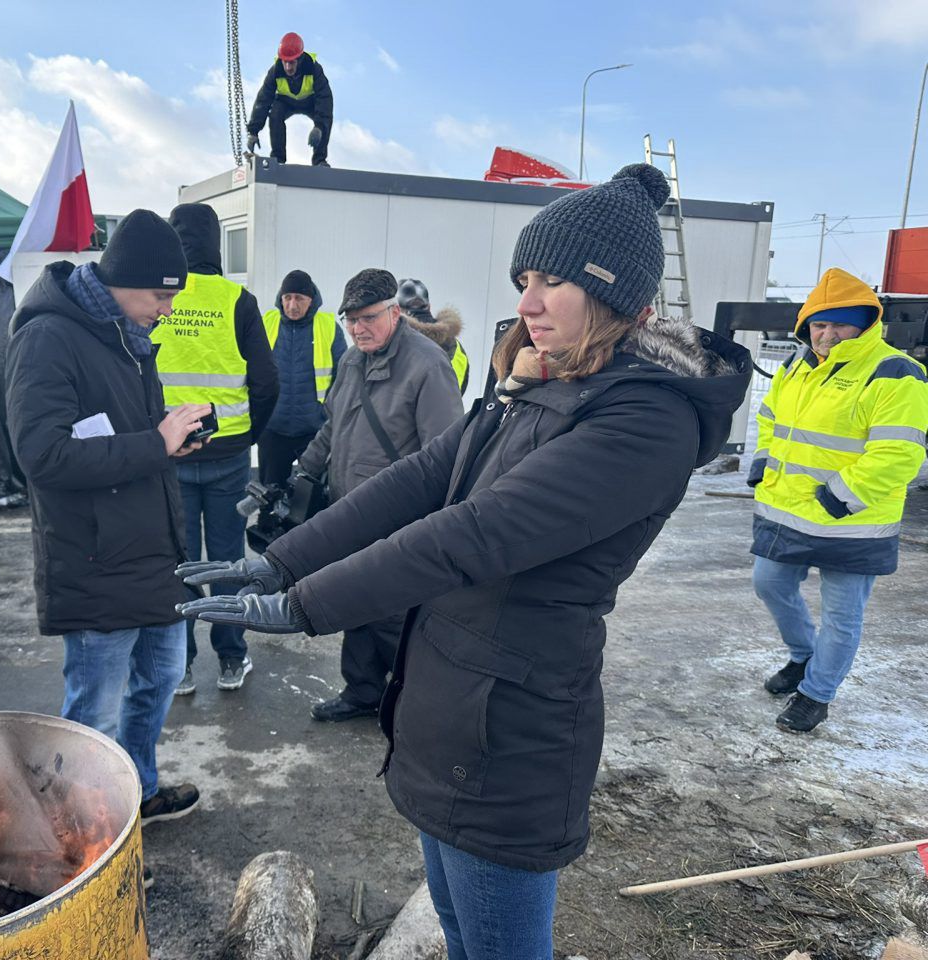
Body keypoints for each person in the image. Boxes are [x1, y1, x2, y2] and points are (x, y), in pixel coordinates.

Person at [178, 165, 751, 959]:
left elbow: (473, 532)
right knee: (455, 931)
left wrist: (308, 605)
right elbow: (423, 478)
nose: (526, 302)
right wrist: (282, 561)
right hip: (448, 700)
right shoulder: (542, 383)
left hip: (508, 734)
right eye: (524, 278)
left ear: (617, 297)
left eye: (552, 281)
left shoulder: (646, 420)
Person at [4, 209, 203, 859]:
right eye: (161, 295)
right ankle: (83, 846)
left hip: (151, 553)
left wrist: (172, 439)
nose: (168, 309)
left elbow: (127, 437)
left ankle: (136, 792)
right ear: (122, 280)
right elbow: (43, 457)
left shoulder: (126, 333)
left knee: (160, 678)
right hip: (95, 559)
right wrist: (155, 443)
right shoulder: (49, 338)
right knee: (95, 710)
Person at [271, 267, 465, 722]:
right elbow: (332, 427)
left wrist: (436, 522)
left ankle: (410, 705)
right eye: (350, 320)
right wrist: (304, 472)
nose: (358, 328)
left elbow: (448, 453)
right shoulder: (353, 360)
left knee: (395, 617)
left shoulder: (427, 366)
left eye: (368, 318)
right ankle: (361, 692)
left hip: (400, 517)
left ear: (395, 312)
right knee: (352, 600)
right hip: (349, 510)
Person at [749, 267, 928, 733]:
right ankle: (803, 656)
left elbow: (899, 453)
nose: (826, 335)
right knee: (769, 583)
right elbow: (770, 420)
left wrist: (839, 497)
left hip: (853, 521)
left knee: (842, 615)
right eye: (818, 324)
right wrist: (763, 460)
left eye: (839, 324)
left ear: (866, 324)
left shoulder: (896, 372)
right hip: (787, 511)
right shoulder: (797, 366)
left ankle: (816, 693)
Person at [154, 203, 278, 695]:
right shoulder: (237, 300)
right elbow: (267, 382)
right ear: (216, 244)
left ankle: (180, 667)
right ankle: (231, 659)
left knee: (179, 562)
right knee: (227, 564)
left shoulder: (160, 295)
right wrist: (246, 435)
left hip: (169, 452)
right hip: (226, 453)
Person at [258, 269, 346, 487]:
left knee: (311, 497)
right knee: (269, 496)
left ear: (311, 299)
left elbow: (344, 378)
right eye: (287, 298)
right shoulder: (266, 323)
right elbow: (251, 370)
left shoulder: (329, 327)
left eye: (299, 298)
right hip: (273, 431)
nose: (292, 305)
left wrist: (326, 415)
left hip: (314, 432)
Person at [247, 31, 334, 167]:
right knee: (275, 113)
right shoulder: (275, 72)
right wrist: (253, 132)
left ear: (299, 59)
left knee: (325, 120)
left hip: (310, 102)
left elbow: (325, 100)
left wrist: (319, 127)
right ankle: (278, 158)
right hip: (286, 102)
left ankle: (319, 160)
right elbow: (263, 100)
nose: (288, 67)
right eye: (285, 62)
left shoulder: (314, 69)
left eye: (291, 63)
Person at [397, 278, 471, 395]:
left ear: (398, 310)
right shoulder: (457, 349)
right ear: (429, 306)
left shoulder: (396, 343)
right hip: (450, 411)